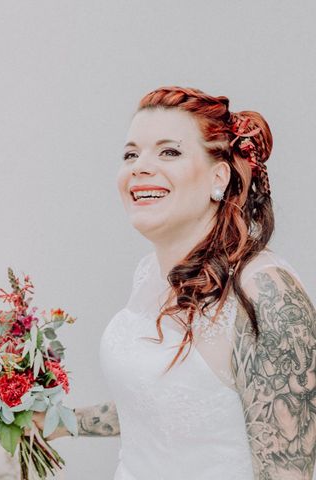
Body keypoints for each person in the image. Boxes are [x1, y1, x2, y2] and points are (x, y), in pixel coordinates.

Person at [35, 87, 316, 479]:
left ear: (219, 176)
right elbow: (168, 402)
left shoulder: (265, 293)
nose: (140, 167)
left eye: (169, 151)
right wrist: (61, 421)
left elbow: (290, 472)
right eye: (131, 154)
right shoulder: (150, 273)